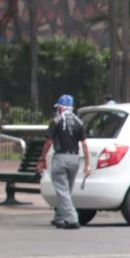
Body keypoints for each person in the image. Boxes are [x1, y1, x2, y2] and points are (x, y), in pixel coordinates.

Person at [37, 94, 91, 230]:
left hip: (60, 158)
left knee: (62, 191)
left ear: (60, 108)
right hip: (74, 159)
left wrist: (42, 159)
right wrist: (88, 164)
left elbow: (48, 142)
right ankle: (60, 218)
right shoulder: (79, 122)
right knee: (66, 190)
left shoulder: (56, 121)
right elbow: (84, 144)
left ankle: (72, 219)